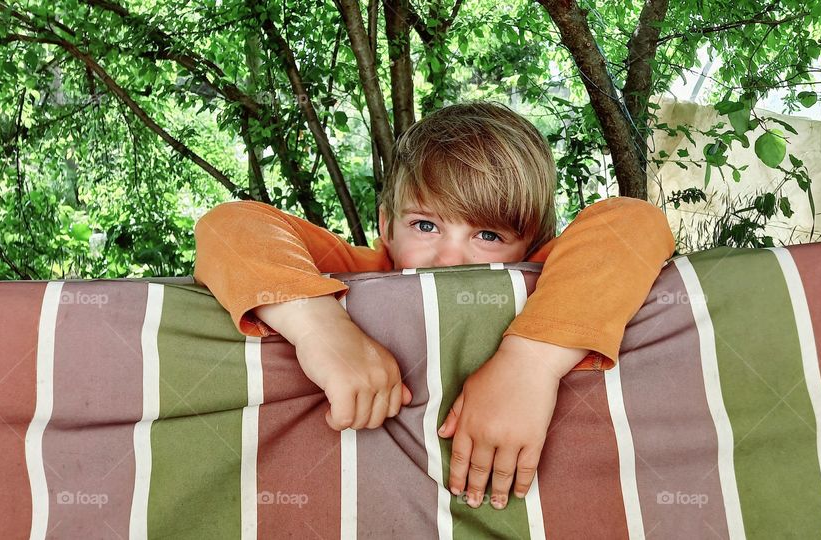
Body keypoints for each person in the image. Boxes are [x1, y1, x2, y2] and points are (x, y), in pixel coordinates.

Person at [193, 101, 675, 512]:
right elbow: (228, 226)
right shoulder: (360, 269)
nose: (449, 258)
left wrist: (530, 364)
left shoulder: (544, 274)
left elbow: (634, 222)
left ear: (532, 245)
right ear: (387, 225)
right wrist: (320, 328)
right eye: (426, 225)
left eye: (487, 235)